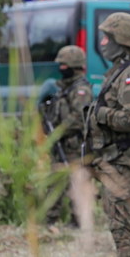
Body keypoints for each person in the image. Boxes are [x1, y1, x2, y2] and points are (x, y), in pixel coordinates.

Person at [86, 12, 130, 257]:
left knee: (125, 227)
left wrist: (101, 114)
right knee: (127, 226)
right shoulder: (121, 70)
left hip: (128, 160)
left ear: (121, 40)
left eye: (108, 37)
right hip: (120, 158)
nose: (103, 43)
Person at [41, 45, 93, 224]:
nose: (61, 69)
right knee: (56, 181)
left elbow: (79, 117)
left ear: (75, 66)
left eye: (65, 66)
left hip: (74, 144)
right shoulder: (62, 89)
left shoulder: (81, 90)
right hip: (61, 143)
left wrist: (59, 130)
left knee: (75, 182)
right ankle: (50, 219)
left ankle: (78, 220)